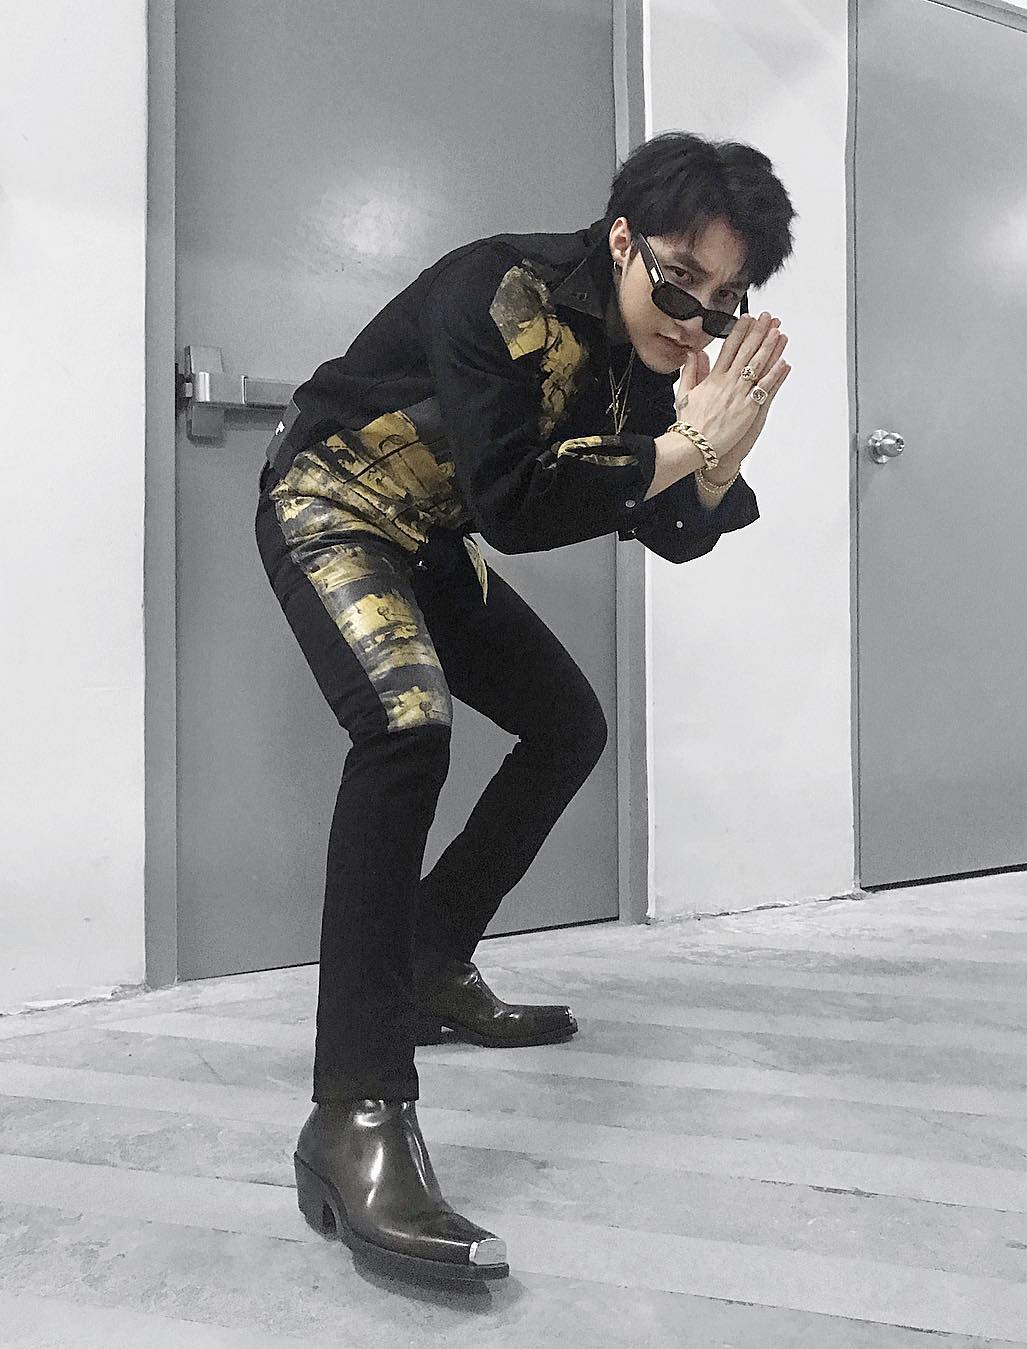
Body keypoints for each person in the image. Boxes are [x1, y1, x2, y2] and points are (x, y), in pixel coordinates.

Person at [254, 130, 795, 1282]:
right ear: (622, 239)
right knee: (405, 728)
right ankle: (353, 1113)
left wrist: (709, 465)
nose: (694, 322)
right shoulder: (499, 290)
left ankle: (432, 958)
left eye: (723, 303)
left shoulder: (654, 358)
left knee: (568, 725)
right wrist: (681, 445)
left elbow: (668, 529)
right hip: (334, 502)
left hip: (431, 537)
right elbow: (515, 501)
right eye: (679, 282)